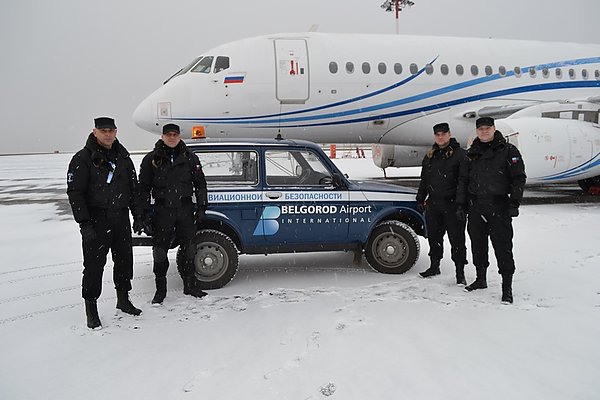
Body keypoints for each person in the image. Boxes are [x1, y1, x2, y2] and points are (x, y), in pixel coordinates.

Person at [67, 117, 143, 329]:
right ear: (95, 132)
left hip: (120, 218)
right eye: (103, 131)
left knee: (124, 260)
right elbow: (75, 193)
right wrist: (84, 224)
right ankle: (91, 308)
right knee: (93, 266)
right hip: (96, 219)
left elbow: (134, 190)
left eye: (111, 130)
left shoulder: (123, 157)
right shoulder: (82, 158)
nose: (108, 134)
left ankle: (123, 299)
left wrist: (137, 216)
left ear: (116, 131)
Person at [138, 123, 209, 304]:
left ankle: (190, 285)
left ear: (179, 136)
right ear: (162, 136)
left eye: (175, 134)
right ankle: (160, 290)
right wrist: (143, 215)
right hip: (163, 211)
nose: (171, 138)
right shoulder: (151, 159)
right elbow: (143, 189)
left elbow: (200, 185)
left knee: (189, 249)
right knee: (160, 252)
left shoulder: (190, 157)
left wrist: (201, 208)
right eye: (168, 134)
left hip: (185, 210)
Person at [465, 117, 526, 303]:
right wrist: (464, 205)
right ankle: (480, 278)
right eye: (481, 128)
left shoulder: (508, 151)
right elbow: (465, 180)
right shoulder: (471, 152)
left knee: (503, 247)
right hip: (476, 207)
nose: (484, 131)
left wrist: (514, 203)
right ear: (476, 131)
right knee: (478, 245)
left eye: (488, 128)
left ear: (494, 129)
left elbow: (518, 178)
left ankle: (507, 287)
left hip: (499, 206)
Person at [416, 122, 469, 284]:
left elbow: (463, 182)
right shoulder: (431, 155)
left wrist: (461, 204)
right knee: (434, 238)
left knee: (457, 240)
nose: (440, 137)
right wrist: (420, 197)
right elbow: (424, 179)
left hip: (453, 205)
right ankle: (434, 266)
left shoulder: (460, 155)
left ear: (449, 134)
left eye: (443, 134)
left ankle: (460, 273)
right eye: (437, 134)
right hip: (434, 204)